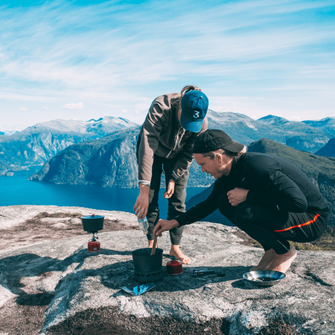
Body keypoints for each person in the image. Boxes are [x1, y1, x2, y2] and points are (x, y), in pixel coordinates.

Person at [154, 129, 329, 273]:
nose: (202, 170)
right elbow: (208, 205)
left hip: (312, 219)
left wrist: (248, 195)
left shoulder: (258, 167)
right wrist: (174, 222)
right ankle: (270, 250)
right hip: (291, 214)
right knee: (223, 201)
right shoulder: (228, 177)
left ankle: (284, 252)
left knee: (245, 213)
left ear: (218, 158)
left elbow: (299, 203)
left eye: (203, 164)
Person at [134, 85, 209, 264]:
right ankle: (152, 243)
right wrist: (144, 188)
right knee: (150, 199)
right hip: (152, 151)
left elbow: (190, 151)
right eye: (185, 117)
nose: (187, 124)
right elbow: (148, 141)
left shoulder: (202, 123)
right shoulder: (161, 107)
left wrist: (174, 178)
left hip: (177, 157)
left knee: (178, 201)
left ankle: (175, 246)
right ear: (180, 106)